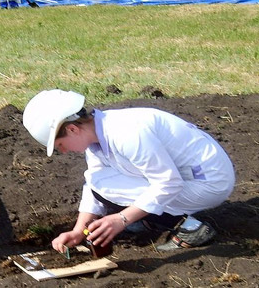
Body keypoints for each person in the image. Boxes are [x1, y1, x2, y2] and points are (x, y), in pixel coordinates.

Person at [23, 89, 235, 253]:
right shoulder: (98, 135)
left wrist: (121, 219)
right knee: (102, 182)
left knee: (108, 186)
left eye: (60, 145)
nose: (64, 151)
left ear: (72, 129)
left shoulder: (126, 133)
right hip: (189, 177)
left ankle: (190, 226)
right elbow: (95, 184)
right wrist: (79, 231)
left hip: (208, 183)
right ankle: (150, 218)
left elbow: (169, 183)